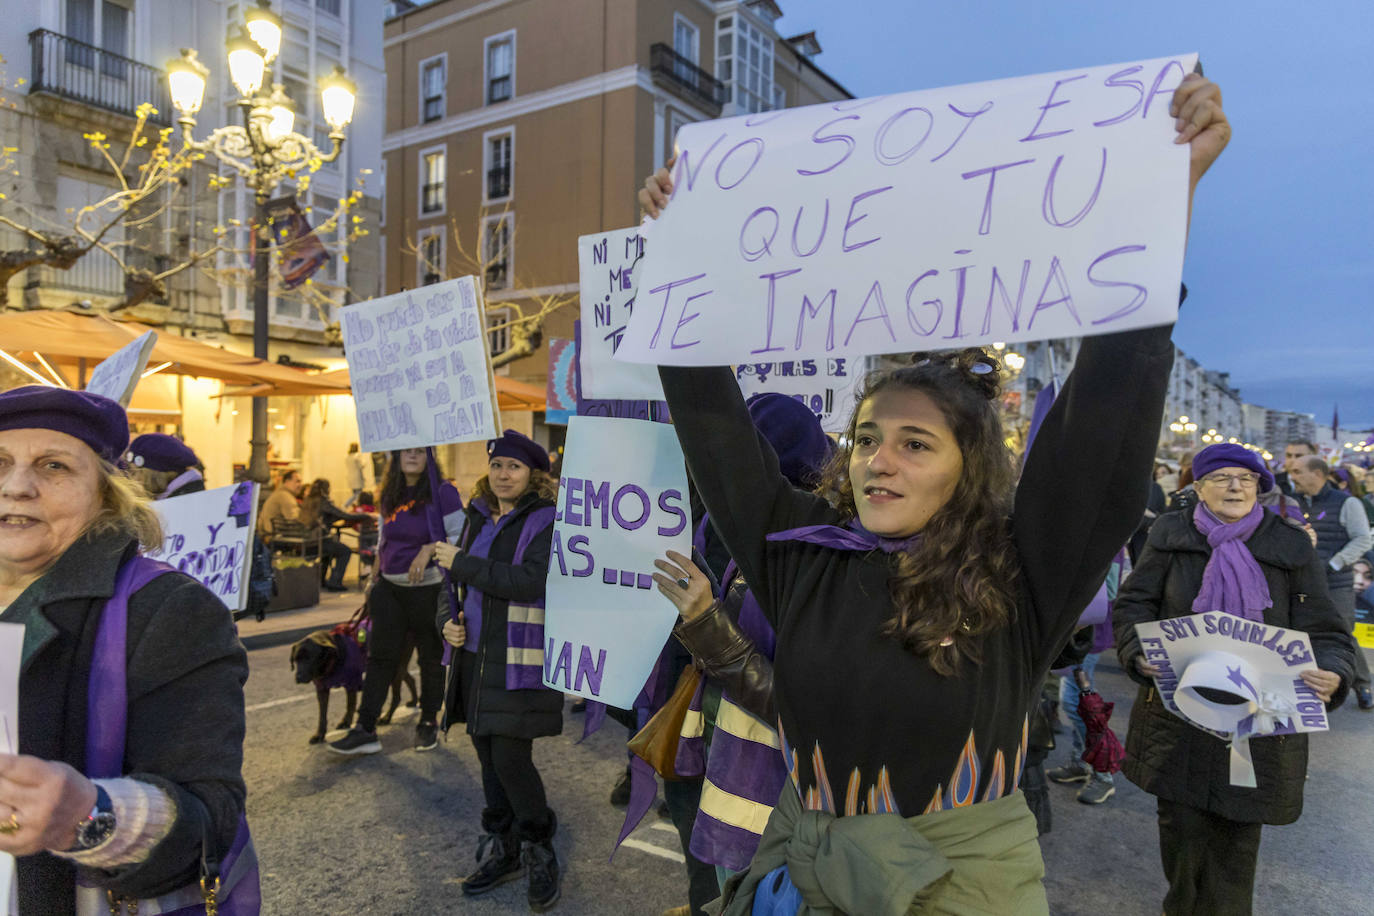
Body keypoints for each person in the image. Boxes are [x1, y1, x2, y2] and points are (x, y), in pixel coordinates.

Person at [640, 72, 1231, 914]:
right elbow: (714, 430)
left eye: (915, 444)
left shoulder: (1020, 574)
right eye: (868, 440)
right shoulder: (800, 555)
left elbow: (1101, 429)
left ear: (969, 468)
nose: (879, 461)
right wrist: (678, 262)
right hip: (801, 871)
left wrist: (1158, 216)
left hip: (952, 888)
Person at [0, 386, 249, 911]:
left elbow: (209, 820)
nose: (17, 486)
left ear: (106, 494)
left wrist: (89, 817)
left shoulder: (169, 609)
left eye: (53, 466)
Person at [1113, 442, 1354, 915]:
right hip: (1179, 717)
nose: (1235, 486)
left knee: (1235, 847)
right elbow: (1133, 606)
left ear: (1261, 489)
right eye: (1221, 477)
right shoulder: (1170, 534)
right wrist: (1138, 650)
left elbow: (1326, 631)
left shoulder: (1288, 545)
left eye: (1246, 479)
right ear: (1198, 487)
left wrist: (1335, 673)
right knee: (1181, 838)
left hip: (1259, 725)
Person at [432, 430, 562, 912]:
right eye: (498, 465)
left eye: (515, 467)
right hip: (473, 662)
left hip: (517, 662)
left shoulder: (546, 520)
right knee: (487, 757)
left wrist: (463, 564)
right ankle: (505, 847)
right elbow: (446, 590)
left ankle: (538, 845)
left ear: (534, 475)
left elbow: (529, 581)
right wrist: (446, 624)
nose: (504, 475)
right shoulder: (476, 519)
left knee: (510, 758)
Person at [329, 448, 462, 755]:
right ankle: (366, 728)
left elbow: (461, 535)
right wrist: (372, 579)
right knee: (380, 658)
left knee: (430, 658)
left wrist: (430, 549)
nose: (412, 456)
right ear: (397, 457)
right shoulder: (390, 493)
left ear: (430, 457)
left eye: (419, 451)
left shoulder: (444, 492)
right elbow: (382, 539)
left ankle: (428, 722)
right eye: (406, 451)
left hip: (429, 589)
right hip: (389, 588)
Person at [1290, 454, 1374, 708]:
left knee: (1342, 633)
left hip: (1336, 583)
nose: (1292, 477)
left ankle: (1362, 684)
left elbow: (1362, 539)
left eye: (1297, 471)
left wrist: (1334, 564)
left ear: (1317, 474)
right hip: (1304, 581)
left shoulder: (1347, 502)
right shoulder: (1294, 502)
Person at [300, 478, 369, 592]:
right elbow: (344, 515)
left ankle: (321, 580)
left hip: (306, 541)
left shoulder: (307, 501)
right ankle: (335, 582)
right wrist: (366, 515)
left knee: (330, 549)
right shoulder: (323, 502)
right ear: (325, 489)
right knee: (344, 551)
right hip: (318, 541)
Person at [123, 433, 206, 500]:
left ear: (156, 474)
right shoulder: (189, 497)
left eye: (138, 472)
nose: (134, 479)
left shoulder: (179, 507)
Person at [257, 468, 303, 538]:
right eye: (298, 481)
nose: (301, 485)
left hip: (267, 535)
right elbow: (294, 520)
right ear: (287, 482)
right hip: (276, 537)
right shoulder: (285, 496)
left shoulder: (279, 493)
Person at [345, 442, 371, 508]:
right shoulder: (357, 456)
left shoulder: (348, 456)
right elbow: (361, 465)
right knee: (358, 494)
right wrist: (365, 461)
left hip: (350, 477)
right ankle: (347, 504)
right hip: (357, 477)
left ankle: (353, 505)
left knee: (355, 494)